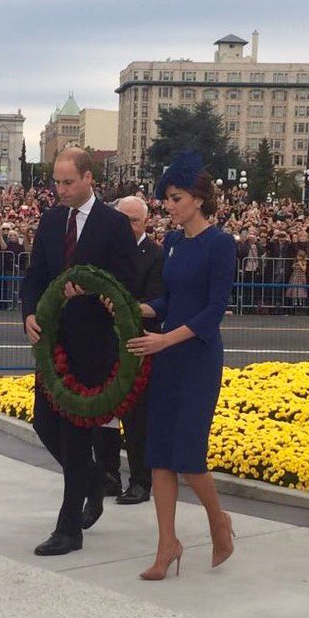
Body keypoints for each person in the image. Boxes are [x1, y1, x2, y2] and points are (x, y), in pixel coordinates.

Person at [126, 152, 236, 580]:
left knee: (189, 457)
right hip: (167, 354)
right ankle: (166, 545)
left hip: (197, 357)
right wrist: (135, 308)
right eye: (166, 199)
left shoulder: (221, 244)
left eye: (175, 198)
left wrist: (165, 338)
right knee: (159, 457)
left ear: (198, 198)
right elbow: (168, 302)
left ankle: (218, 520)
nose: (167, 206)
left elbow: (213, 311)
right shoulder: (171, 244)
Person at [20, 147, 136, 556]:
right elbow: (34, 275)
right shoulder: (51, 220)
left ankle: (69, 528)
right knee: (43, 424)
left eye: (68, 182)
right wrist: (30, 314)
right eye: (57, 181)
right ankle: (93, 481)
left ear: (89, 178)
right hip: (51, 343)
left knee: (73, 436)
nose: (61, 190)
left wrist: (94, 291)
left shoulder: (115, 224)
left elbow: (126, 282)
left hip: (91, 348)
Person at [91, 195, 164, 506]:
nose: (128, 226)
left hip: (138, 344)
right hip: (104, 343)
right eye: (123, 219)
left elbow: (158, 299)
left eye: (134, 220)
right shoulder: (104, 252)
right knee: (103, 413)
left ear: (145, 221)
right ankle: (107, 475)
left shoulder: (157, 255)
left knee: (137, 417)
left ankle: (140, 481)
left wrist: (126, 308)